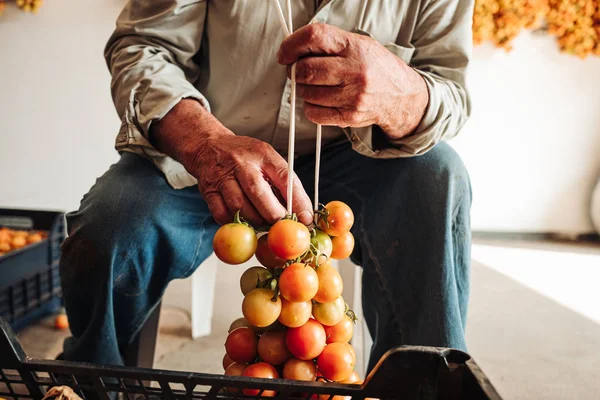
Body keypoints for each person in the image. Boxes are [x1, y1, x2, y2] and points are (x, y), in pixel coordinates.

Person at [59, 0, 473, 373]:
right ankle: (90, 378)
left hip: (359, 157)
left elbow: (450, 90)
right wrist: (204, 144)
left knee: (438, 178)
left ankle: (424, 381)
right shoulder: (205, 145)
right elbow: (142, 47)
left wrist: (403, 96)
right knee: (112, 224)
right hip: (210, 144)